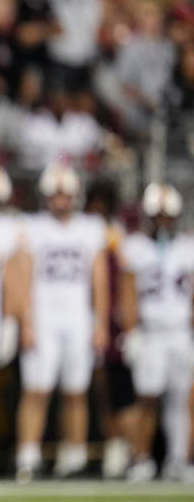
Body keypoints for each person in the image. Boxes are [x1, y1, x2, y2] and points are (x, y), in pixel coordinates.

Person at [10, 163, 108, 481]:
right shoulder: (32, 226)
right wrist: (26, 322)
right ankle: (27, 456)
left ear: (76, 195)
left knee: (76, 391)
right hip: (44, 318)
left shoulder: (91, 228)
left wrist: (101, 322)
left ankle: (75, 456)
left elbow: (99, 279)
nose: (60, 200)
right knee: (36, 390)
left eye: (65, 194)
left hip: (78, 318)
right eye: (55, 194)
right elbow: (23, 275)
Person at [119, 183, 194, 482]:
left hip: (180, 331)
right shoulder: (135, 246)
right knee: (147, 398)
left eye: (167, 216)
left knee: (182, 399)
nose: (162, 221)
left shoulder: (187, 246)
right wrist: (131, 332)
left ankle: (180, 459)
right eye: (158, 216)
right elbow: (127, 294)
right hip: (150, 332)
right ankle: (141, 459)